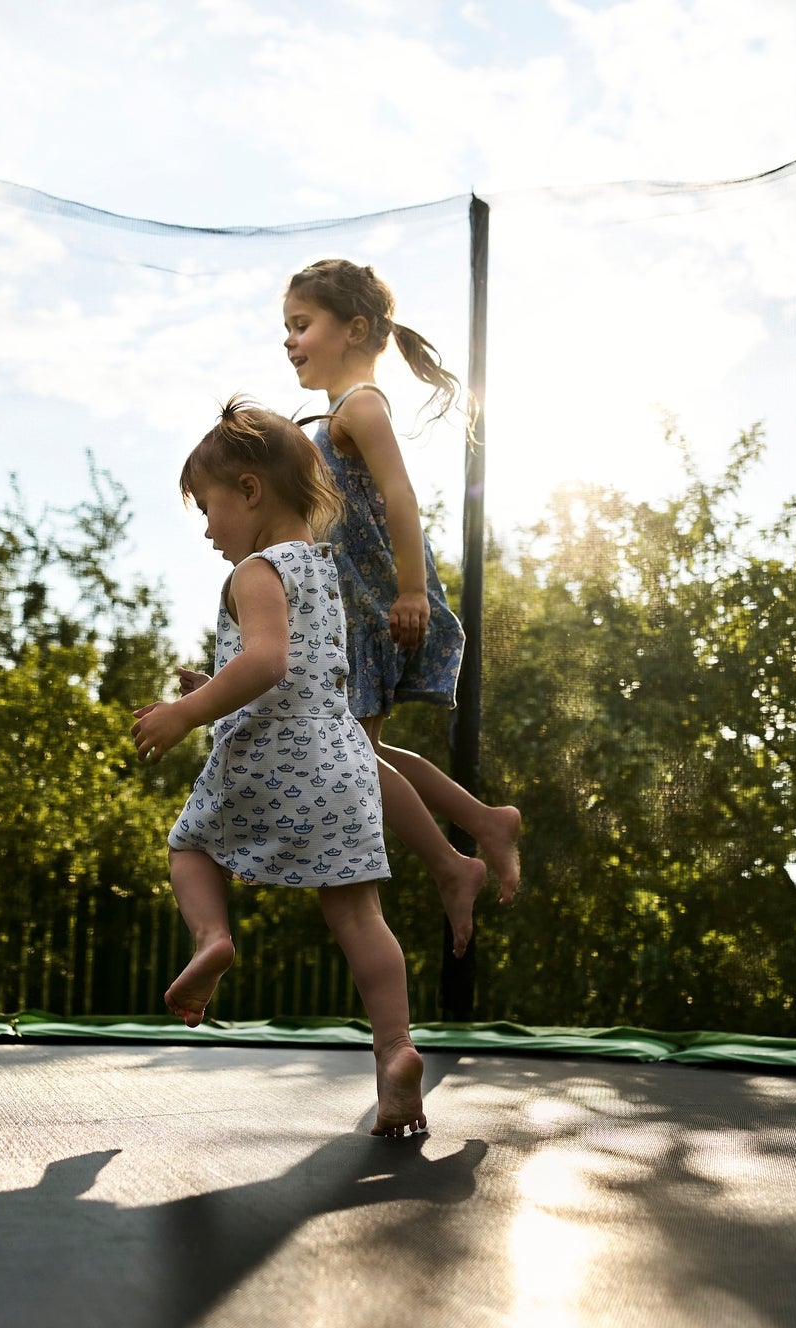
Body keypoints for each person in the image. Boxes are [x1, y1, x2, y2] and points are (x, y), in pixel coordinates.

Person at [133, 398, 427, 1138]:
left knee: (189, 847)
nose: (206, 527)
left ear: (250, 491)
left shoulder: (255, 572)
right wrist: (217, 690)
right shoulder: (321, 571)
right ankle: (394, 1050)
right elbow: (290, 670)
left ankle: (212, 940)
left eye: (208, 507)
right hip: (340, 760)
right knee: (360, 917)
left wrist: (186, 713)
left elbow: (265, 662)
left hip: (272, 758)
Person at [283, 257, 522, 956]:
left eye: (302, 325)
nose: (289, 341)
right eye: (286, 329)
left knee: (353, 755)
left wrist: (413, 591)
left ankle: (455, 865)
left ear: (353, 329)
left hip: (379, 610)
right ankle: (483, 822)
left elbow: (399, 496)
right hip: (351, 611)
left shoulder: (361, 403)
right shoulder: (332, 415)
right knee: (366, 750)